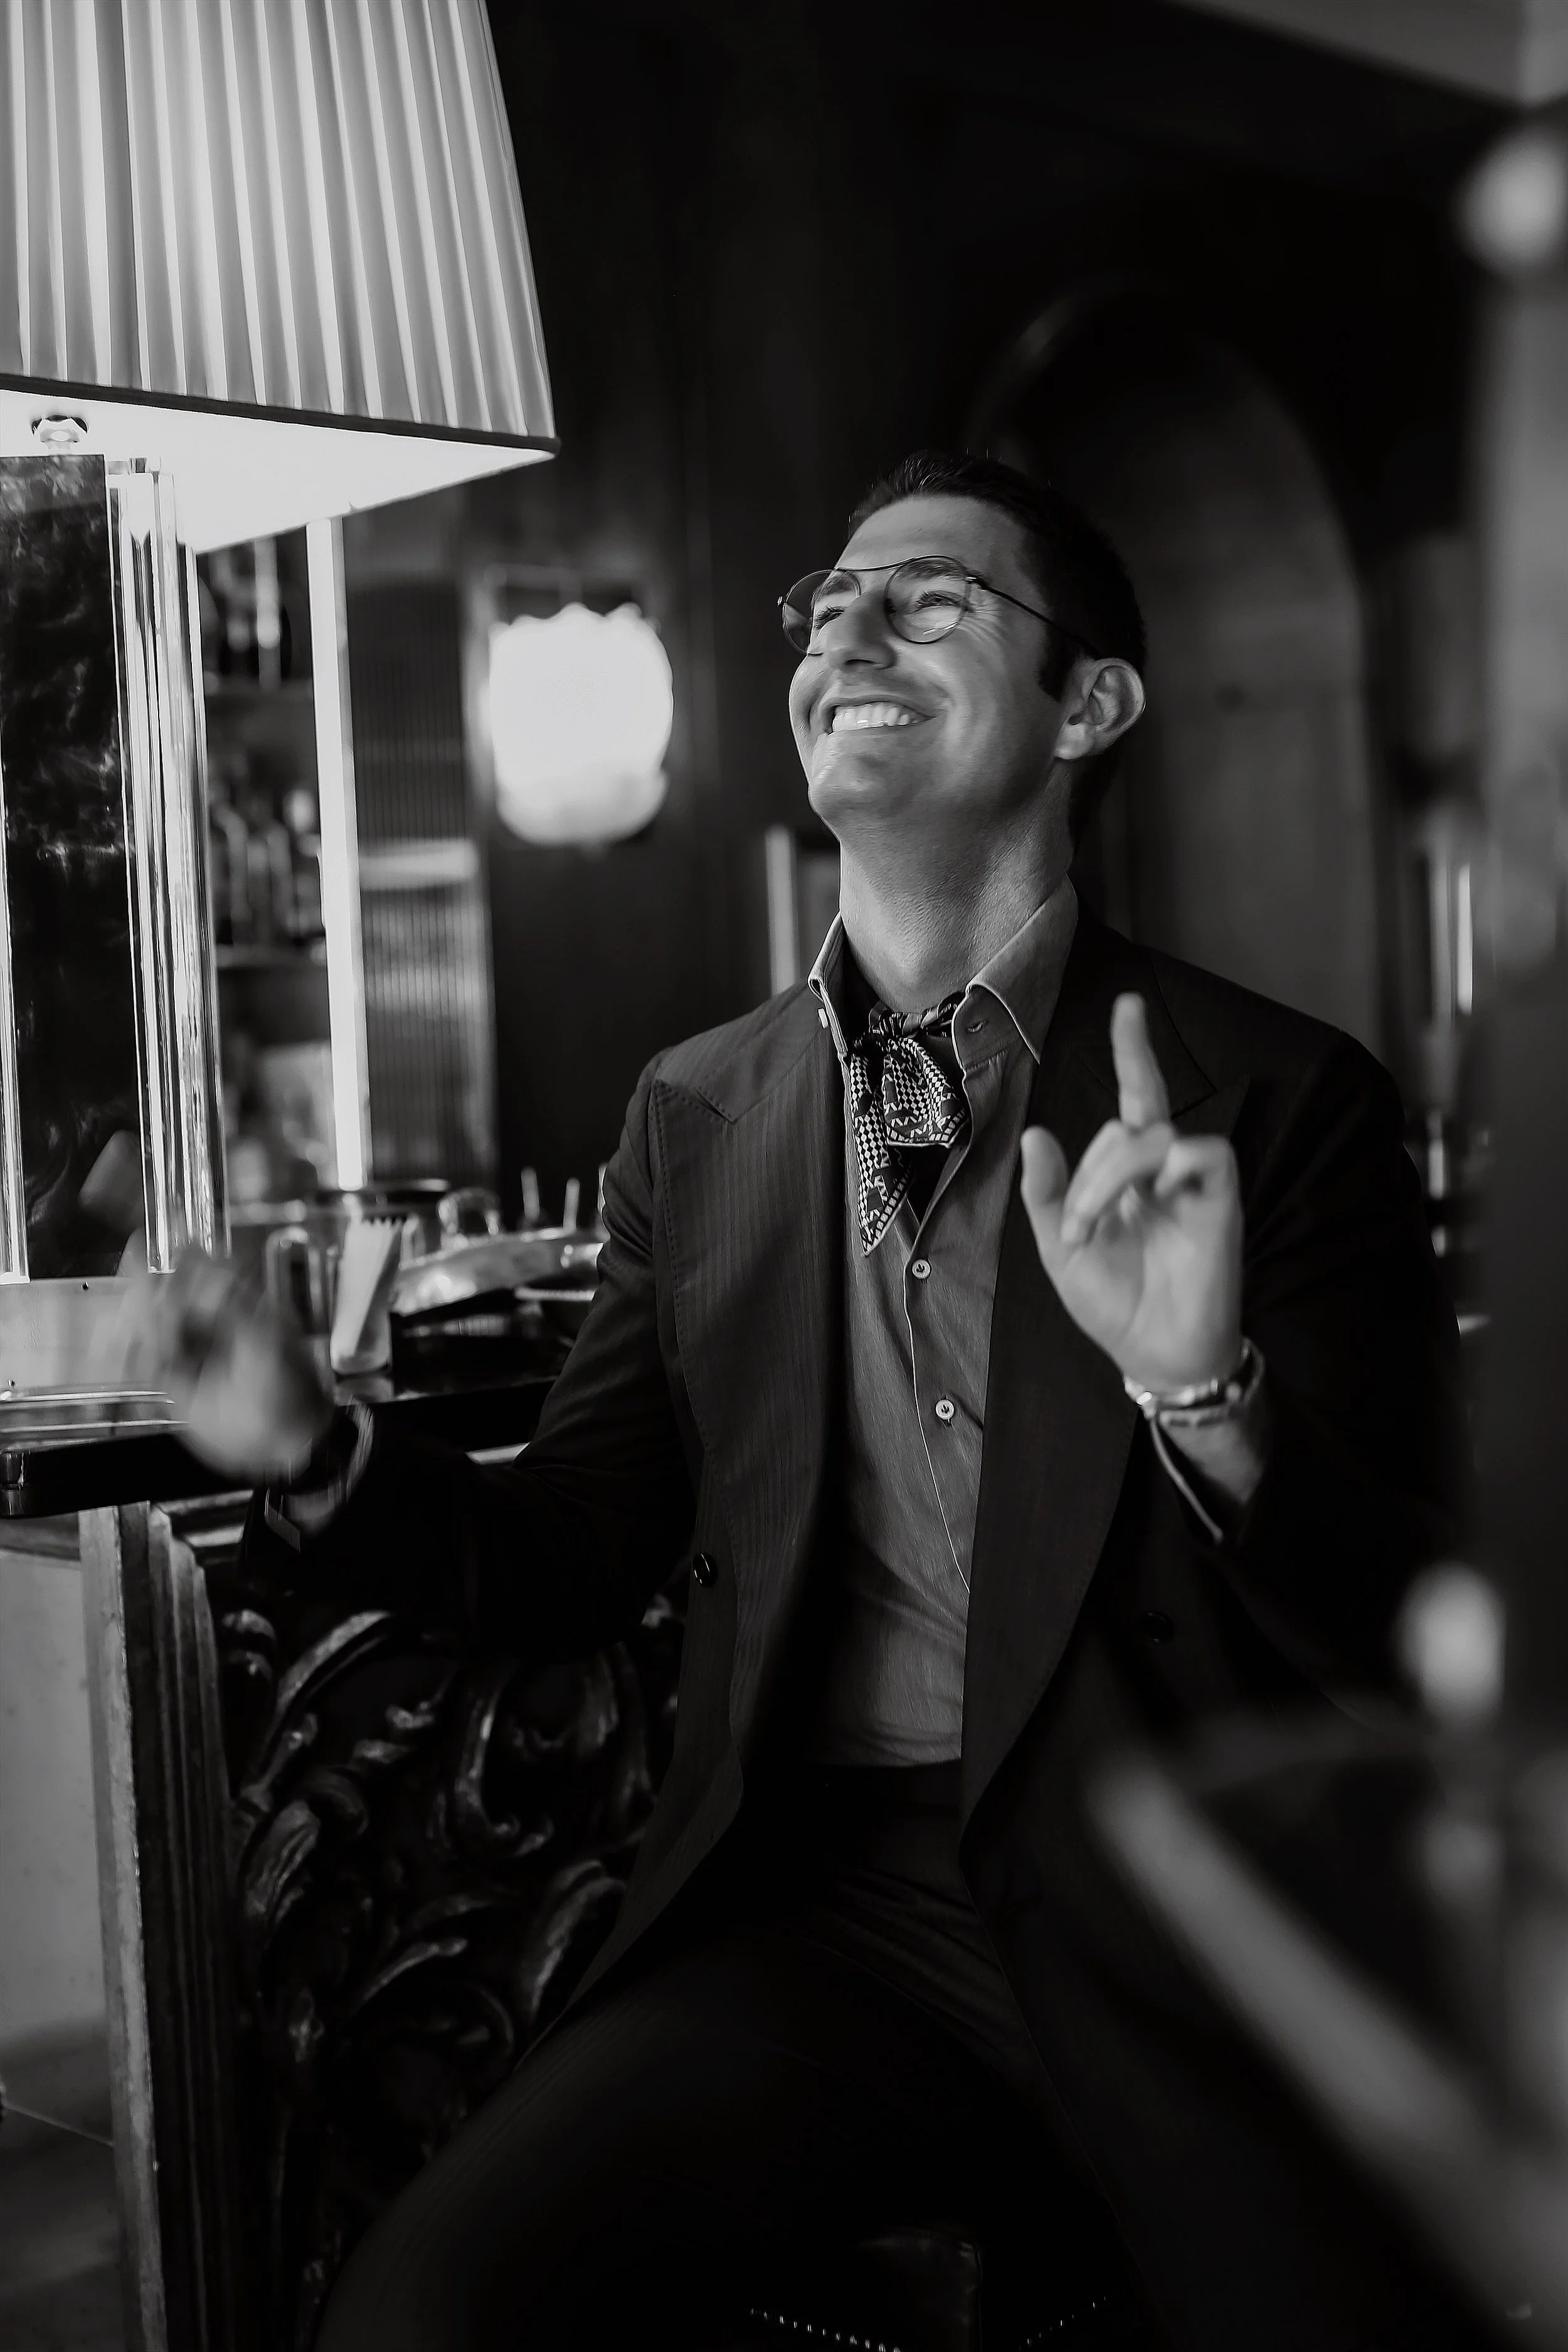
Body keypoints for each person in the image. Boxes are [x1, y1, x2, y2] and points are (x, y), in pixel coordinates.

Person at [131, 450, 1474, 2351]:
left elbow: (1406, 1625)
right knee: (421, 2316)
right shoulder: (697, 1115)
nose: (850, 633)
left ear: (1088, 704)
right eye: (829, 605)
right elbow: (577, 1546)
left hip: (1195, 1908)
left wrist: (1203, 1389)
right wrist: (322, 1452)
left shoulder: (1278, 1103)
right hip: (845, 1925)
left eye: (931, 600)